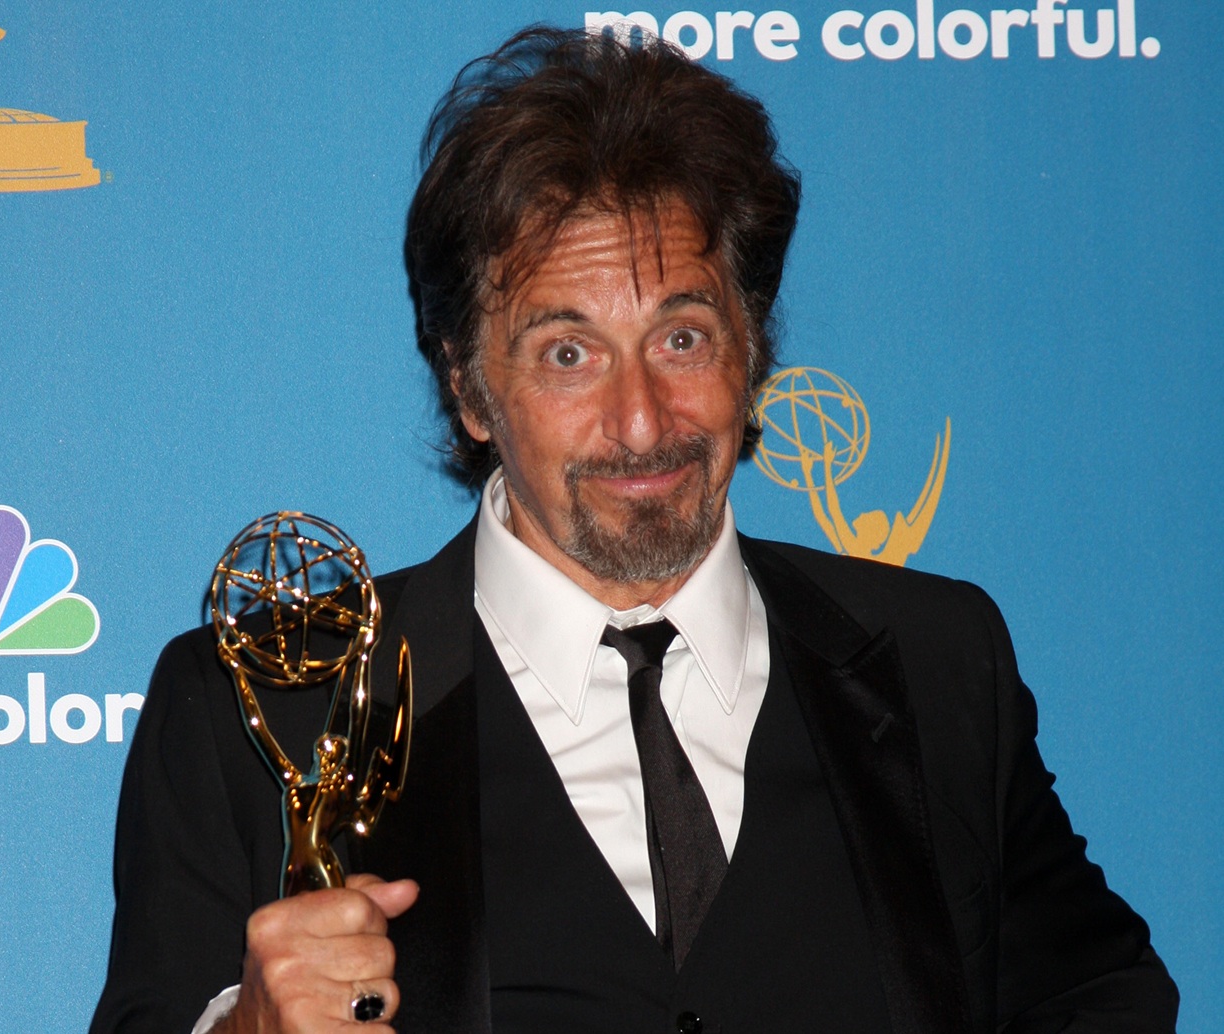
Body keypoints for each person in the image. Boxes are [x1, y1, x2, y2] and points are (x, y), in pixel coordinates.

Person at [90, 26, 1178, 1034]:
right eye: (568, 352)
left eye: (684, 336)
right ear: (470, 388)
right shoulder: (261, 700)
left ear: (753, 353)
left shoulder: (939, 662)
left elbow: (1102, 994)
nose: (642, 419)